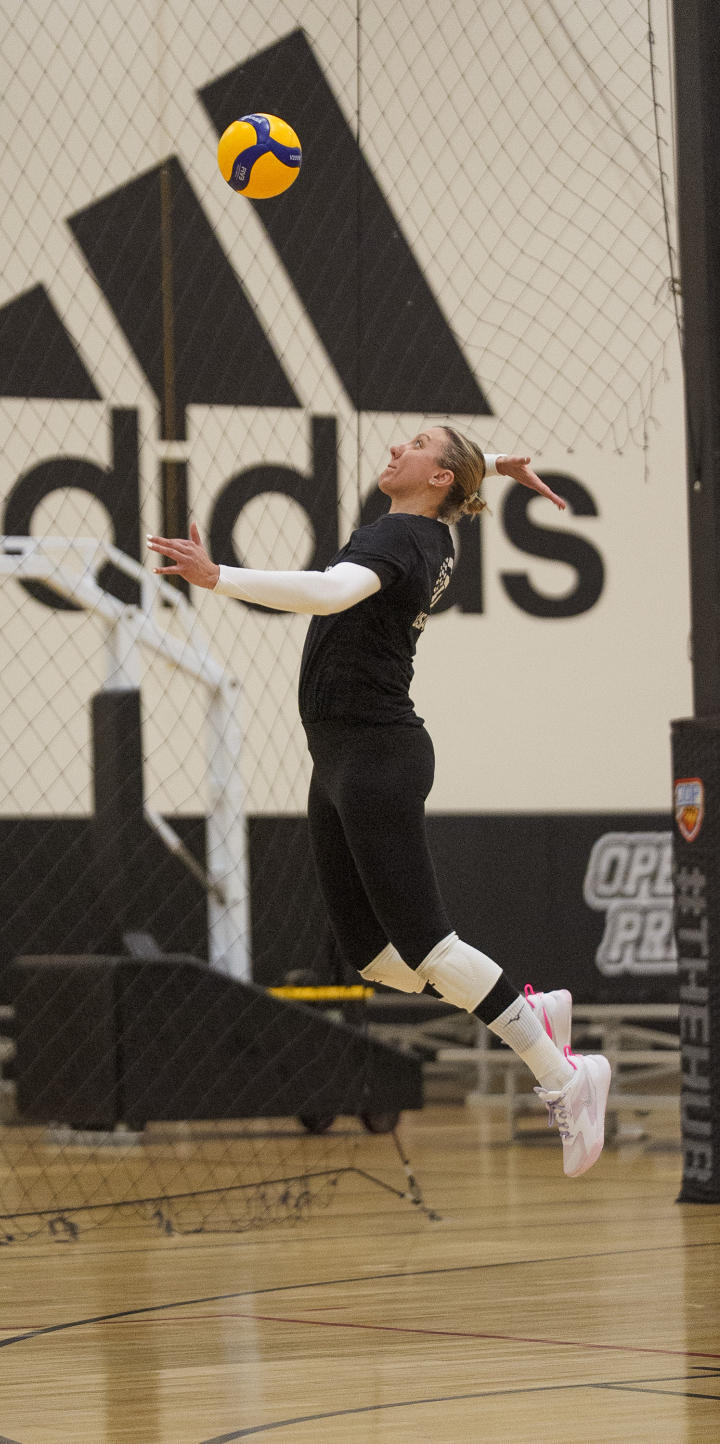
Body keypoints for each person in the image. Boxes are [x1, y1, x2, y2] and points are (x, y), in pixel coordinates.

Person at [146, 426, 610, 1177]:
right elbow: (439, 488)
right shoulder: (419, 527)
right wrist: (491, 466)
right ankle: (536, 1008)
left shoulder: (406, 536)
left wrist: (217, 577)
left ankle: (562, 1075)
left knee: (430, 948)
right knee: (379, 961)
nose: (396, 446)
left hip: (376, 756)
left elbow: (330, 593)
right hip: (337, 760)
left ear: (437, 479)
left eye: (418, 443)